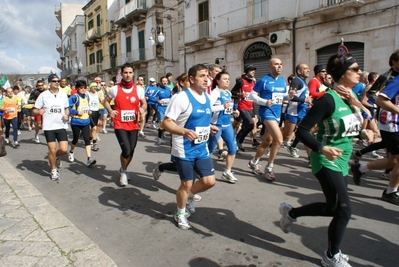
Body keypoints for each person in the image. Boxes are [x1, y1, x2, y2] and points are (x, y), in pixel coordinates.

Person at [279, 53, 366, 267]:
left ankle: (291, 213)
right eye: (355, 69)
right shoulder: (327, 100)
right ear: (341, 73)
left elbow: (365, 121)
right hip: (325, 159)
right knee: (344, 209)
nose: (360, 72)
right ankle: (331, 255)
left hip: (343, 158)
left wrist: (355, 102)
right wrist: (321, 148)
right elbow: (303, 131)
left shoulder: (350, 97)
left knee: (332, 208)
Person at [162, 64, 218, 230]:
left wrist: (209, 127)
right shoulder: (180, 98)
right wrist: (183, 131)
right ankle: (179, 212)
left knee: (209, 181)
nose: (207, 79)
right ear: (192, 79)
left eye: (207, 75)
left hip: (201, 147)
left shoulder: (206, 97)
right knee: (185, 184)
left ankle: (189, 197)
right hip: (184, 148)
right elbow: (165, 122)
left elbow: (200, 121)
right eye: (202, 76)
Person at [103, 63, 147, 187]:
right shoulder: (114, 89)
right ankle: (123, 172)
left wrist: (143, 109)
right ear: (121, 74)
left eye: (130, 72)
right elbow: (105, 101)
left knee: (131, 150)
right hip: (119, 124)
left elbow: (144, 103)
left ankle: (124, 169)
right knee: (126, 150)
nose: (127, 75)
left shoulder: (139, 89)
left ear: (133, 74)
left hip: (133, 124)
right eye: (125, 73)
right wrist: (111, 111)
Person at [248, 58, 287, 181]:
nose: (279, 66)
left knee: (267, 140)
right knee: (279, 139)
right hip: (266, 112)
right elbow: (252, 95)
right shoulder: (263, 80)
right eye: (276, 64)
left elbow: (283, 97)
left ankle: (254, 161)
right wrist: (265, 102)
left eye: (281, 64)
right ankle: (269, 167)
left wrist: (290, 97)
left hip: (277, 114)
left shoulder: (282, 81)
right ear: (270, 67)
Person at [33, 74, 69, 181]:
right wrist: (39, 111)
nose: (57, 82)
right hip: (49, 127)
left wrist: (67, 114)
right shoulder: (43, 95)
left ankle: (57, 157)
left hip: (61, 125)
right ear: (49, 83)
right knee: (51, 150)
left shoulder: (63, 95)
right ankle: (53, 170)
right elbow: (34, 110)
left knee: (63, 149)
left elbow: (66, 108)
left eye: (58, 81)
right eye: (54, 81)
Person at [208, 71, 240, 183]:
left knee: (233, 149)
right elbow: (208, 108)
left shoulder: (228, 93)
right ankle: (200, 169)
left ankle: (227, 172)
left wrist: (234, 112)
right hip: (216, 126)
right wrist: (222, 106)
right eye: (225, 79)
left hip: (227, 125)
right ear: (218, 81)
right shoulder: (215, 93)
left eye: (228, 79)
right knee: (210, 149)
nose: (227, 81)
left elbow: (227, 108)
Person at [284, 64, 313, 159]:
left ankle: (310, 159)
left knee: (306, 134)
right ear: (299, 71)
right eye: (305, 69)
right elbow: (291, 97)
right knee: (285, 135)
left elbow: (303, 97)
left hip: (302, 112)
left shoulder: (304, 82)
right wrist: (305, 100)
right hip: (293, 112)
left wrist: (307, 103)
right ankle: (269, 142)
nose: (308, 70)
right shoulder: (296, 80)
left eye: (308, 68)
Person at [67, 80, 96, 167]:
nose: (83, 89)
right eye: (81, 88)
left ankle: (89, 159)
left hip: (86, 121)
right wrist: (76, 112)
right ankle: (71, 152)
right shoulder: (74, 97)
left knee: (87, 140)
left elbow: (86, 107)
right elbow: (67, 108)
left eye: (85, 87)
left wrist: (89, 111)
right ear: (77, 89)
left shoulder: (87, 96)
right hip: (76, 122)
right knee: (75, 139)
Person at [231, 65, 258, 152]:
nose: (253, 71)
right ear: (247, 71)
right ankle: (238, 140)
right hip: (242, 106)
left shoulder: (253, 82)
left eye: (254, 70)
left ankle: (238, 140)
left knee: (250, 125)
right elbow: (232, 91)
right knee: (250, 123)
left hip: (250, 106)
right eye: (251, 70)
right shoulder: (241, 82)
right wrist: (240, 94)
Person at [155, 76, 172, 145]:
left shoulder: (169, 89)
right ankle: (159, 138)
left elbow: (172, 97)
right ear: (161, 82)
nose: (165, 82)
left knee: (168, 123)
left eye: (166, 81)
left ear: (167, 82)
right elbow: (153, 97)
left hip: (168, 108)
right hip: (160, 108)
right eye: (163, 81)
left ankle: (163, 132)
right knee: (162, 123)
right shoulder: (158, 89)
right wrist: (158, 101)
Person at [87, 82, 102, 152]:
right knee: (94, 128)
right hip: (90, 112)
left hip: (97, 112)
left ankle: (90, 139)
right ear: (90, 87)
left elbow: (101, 101)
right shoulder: (87, 94)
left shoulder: (97, 94)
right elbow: (84, 103)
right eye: (93, 86)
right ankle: (95, 143)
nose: (95, 88)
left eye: (96, 86)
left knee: (96, 128)